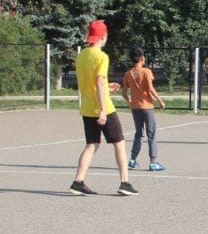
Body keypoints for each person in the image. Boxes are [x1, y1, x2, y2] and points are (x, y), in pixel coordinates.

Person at [69, 20, 139, 196]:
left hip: (87, 107)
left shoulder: (81, 56)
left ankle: (78, 181)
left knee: (92, 144)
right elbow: (99, 82)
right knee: (119, 143)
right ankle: (125, 183)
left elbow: (91, 83)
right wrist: (102, 110)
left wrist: (107, 87)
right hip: (104, 108)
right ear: (103, 36)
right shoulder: (101, 56)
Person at [121, 46, 167, 171]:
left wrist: (130, 102)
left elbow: (124, 93)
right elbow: (150, 89)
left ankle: (132, 160)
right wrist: (160, 101)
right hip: (147, 107)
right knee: (151, 134)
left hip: (135, 108)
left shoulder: (128, 74)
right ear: (142, 58)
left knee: (138, 134)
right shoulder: (146, 71)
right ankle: (153, 162)